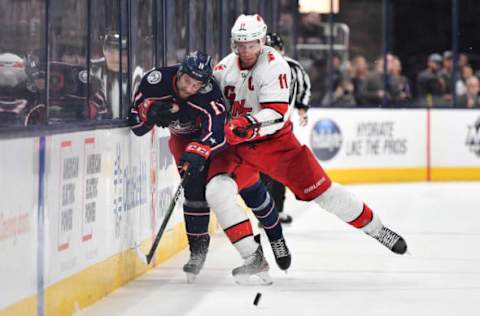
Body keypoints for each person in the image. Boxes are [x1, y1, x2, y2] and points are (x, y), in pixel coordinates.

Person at [207, 15, 408, 276]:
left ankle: (378, 229)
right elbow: (208, 104)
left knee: (325, 193)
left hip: (275, 144)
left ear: (262, 40)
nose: (246, 50)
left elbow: (277, 114)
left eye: (252, 44)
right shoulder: (224, 68)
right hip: (236, 146)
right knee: (216, 191)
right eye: (241, 44)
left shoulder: (275, 65)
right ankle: (254, 254)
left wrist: (247, 122)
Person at [129, 51, 272, 284]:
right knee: (193, 191)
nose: (190, 88)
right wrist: (150, 113)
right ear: (180, 72)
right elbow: (136, 125)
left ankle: (253, 253)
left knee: (218, 192)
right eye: (187, 81)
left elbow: (217, 131)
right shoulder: (155, 80)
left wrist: (200, 150)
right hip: (181, 140)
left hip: (213, 144)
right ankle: (198, 252)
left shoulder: (208, 91)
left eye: (197, 84)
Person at [256, 32, 312, 225]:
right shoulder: (256, 67)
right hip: (260, 126)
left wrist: (302, 108)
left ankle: (275, 210)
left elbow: (303, 87)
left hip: (279, 127)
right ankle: (269, 211)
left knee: (277, 169)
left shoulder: (292, 67)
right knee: (267, 169)